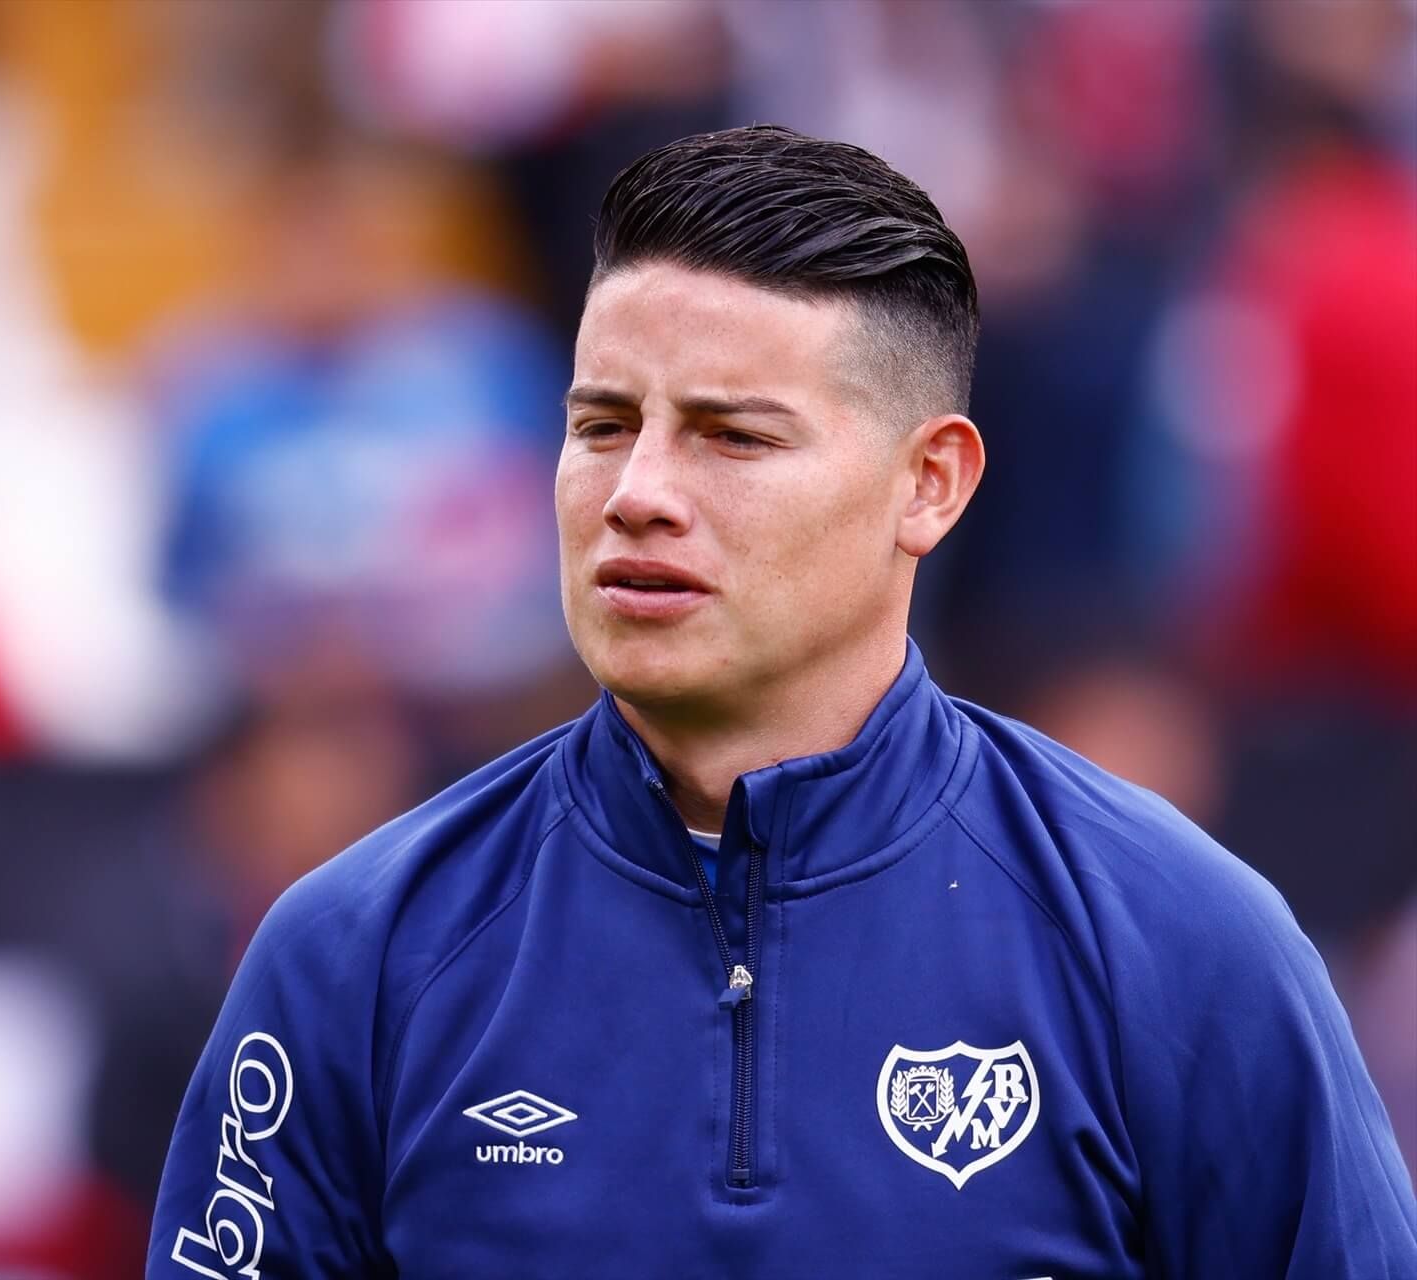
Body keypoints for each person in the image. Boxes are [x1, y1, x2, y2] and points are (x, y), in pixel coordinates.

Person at [146, 125, 1417, 1278]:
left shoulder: (1184, 948)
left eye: (729, 435)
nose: (637, 488)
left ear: (930, 484)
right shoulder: (355, 956)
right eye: (601, 424)